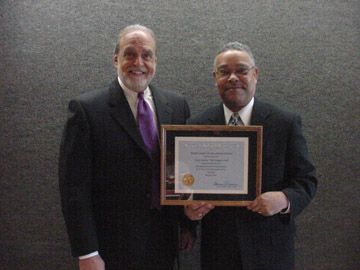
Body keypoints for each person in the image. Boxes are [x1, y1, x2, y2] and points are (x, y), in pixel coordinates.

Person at [59, 24, 195, 270]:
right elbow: (74, 187)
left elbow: (182, 171)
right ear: (115, 59)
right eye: (129, 54)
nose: (138, 62)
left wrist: (187, 224)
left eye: (146, 55)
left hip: (164, 241)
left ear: (155, 60)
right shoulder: (87, 110)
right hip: (111, 245)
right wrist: (86, 251)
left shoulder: (176, 105)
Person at [184, 42, 317, 270]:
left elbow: (306, 181)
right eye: (225, 72)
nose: (233, 78)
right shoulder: (196, 125)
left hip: (271, 252)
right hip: (218, 253)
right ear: (215, 78)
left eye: (241, 70)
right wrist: (187, 210)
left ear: (255, 74)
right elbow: (184, 185)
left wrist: (284, 200)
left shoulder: (284, 122)